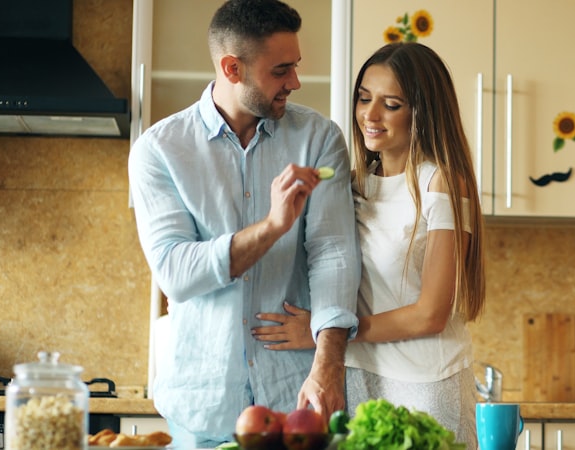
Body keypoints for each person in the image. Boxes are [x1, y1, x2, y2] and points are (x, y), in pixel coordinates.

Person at [127, 0, 360, 447]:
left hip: (297, 403)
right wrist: (273, 226)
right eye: (280, 70)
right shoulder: (160, 151)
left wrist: (329, 364)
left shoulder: (319, 138)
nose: (294, 81)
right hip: (202, 407)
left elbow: (333, 253)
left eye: (295, 66)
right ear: (232, 68)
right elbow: (176, 272)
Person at [253, 42, 486, 448]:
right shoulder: (352, 184)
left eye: (391, 104)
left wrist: (326, 331)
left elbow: (431, 314)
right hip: (357, 377)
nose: (369, 116)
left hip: (426, 382)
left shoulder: (441, 183)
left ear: (423, 112)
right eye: (364, 99)